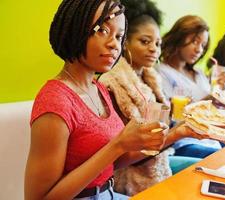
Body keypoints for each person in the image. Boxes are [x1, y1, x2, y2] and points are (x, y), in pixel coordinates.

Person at [24, 1, 170, 199]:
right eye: (102, 30)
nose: (114, 44)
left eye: (119, 36)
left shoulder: (98, 88)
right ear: (74, 29)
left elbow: (111, 163)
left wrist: (178, 133)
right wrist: (117, 145)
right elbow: (39, 198)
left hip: (108, 192)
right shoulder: (56, 101)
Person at [99, 1, 209, 196]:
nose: (154, 49)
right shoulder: (112, 83)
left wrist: (181, 123)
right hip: (129, 175)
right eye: (145, 41)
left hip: (159, 163)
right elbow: (125, 152)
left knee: (205, 170)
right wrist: (177, 133)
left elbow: (162, 129)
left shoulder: (152, 80)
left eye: (157, 43)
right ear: (125, 43)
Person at [156, 15, 222, 159]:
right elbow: (171, 115)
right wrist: (211, 97)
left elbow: (211, 110)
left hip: (210, 139)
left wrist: (220, 89)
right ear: (179, 37)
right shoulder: (161, 71)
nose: (199, 50)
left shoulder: (198, 72)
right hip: (183, 143)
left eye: (203, 45)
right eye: (195, 41)